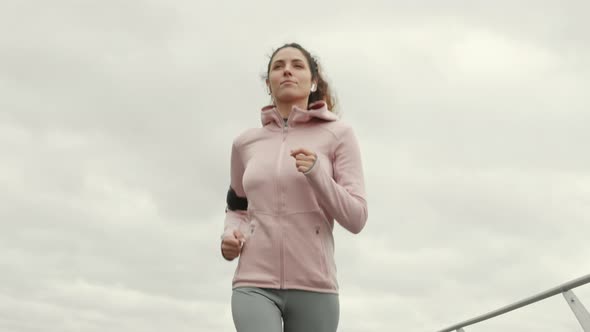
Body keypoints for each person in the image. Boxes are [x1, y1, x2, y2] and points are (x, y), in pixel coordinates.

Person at [220, 42, 368, 332]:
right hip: (254, 284)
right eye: (278, 66)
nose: (287, 70)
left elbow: (356, 217)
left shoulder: (339, 134)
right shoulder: (244, 144)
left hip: (316, 286)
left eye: (297, 65)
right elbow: (237, 207)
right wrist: (229, 235)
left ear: (314, 81)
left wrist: (317, 174)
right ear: (269, 83)